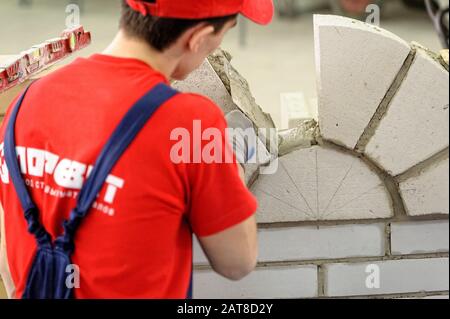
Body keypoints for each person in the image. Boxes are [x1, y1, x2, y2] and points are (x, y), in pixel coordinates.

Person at [0, 0, 273, 298]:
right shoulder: (190, 124)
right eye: (225, 32)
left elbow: (9, 248)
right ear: (199, 39)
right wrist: (231, 164)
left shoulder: (24, 104)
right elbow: (237, 261)